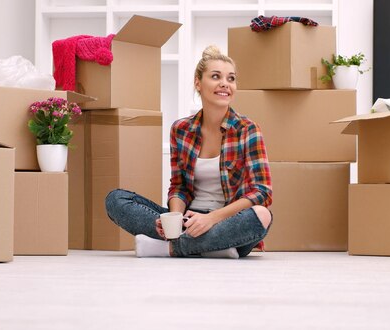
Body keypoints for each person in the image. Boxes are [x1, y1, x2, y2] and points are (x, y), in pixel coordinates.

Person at [105, 45, 272, 258]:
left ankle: (171, 248)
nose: (225, 84)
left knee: (262, 215)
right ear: (198, 83)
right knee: (116, 199)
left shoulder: (248, 129)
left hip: (226, 221)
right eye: (215, 76)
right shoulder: (181, 130)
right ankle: (212, 248)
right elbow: (179, 186)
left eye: (231, 78)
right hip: (188, 220)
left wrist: (212, 219)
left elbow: (262, 191)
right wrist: (174, 218)